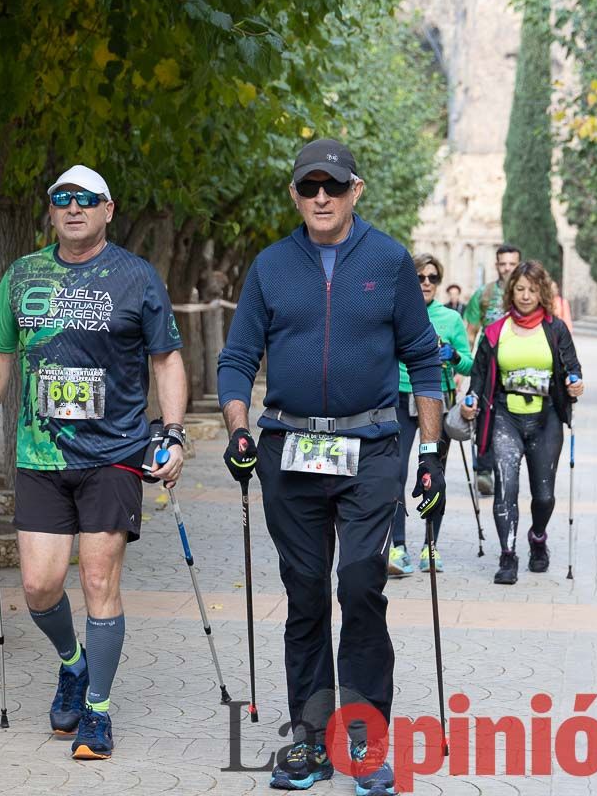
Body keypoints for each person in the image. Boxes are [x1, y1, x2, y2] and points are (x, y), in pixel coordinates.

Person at [217, 139, 444, 795]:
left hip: (369, 448)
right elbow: (236, 361)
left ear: (355, 192)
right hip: (289, 453)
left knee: (361, 588)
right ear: (295, 193)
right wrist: (238, 430)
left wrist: (428, 459)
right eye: (309, 186)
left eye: (333, 187)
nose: (321, 197)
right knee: (307, 597)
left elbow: (423, 362)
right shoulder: (270, 266)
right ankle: (311, 745)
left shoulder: (389, 262)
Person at [0, 164, 188, 761]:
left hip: (114, 454)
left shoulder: (136, 277)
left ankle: (97, 711)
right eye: (62, 199)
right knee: (39, 586)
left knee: (97, 581)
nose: (73, 208)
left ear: (108, 209)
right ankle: (72, 661)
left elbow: (166, 359)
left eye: (86, 200)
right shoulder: (23, 275)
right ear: (52, 209)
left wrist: (172, 433)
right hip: (41, 455)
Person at [461, 260, 583, 585]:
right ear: (510, 291)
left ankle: (538, 537)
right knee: (507, 488)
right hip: (505, 417)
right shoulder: (495, 331)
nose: (525, 296)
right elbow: (479, 376)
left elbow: (573, 369)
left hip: (546, 419)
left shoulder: (555, 329)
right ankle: (508, 555)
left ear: (541, 291)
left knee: (544, 495)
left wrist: (575, 383)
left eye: (531, 289)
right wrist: (470, 400)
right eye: (519, 289)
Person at [387, 254, 473, 577]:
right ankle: (397, 546)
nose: (425, 283)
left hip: (436, 399)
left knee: (432, 474)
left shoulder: (450, 319)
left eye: (432, 278)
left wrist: (451, 355)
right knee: (394, 472)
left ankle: (430, 546)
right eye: (420, 276)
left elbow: (469, 363)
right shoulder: (396, 311)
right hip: (399, 396)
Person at [463, 243, 521, 494]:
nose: (507, 268)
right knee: (483, 412)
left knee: (510, 416)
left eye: (512, 264)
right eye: (503, 264)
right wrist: (461, 368)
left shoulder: (525, 293)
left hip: (516, 365)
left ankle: (504, 467)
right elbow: (471, 331)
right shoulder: (484, 294)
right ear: (496, 265)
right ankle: (484, 469)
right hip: (487, 365)